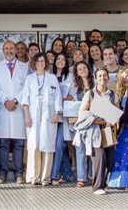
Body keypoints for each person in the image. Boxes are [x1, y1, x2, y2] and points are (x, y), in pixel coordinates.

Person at [73, 68, 119, 195]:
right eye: (99, 75)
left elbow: (117, 113)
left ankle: (104, 183)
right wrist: (99, 120)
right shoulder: (90, 94)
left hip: (108, 131)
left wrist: (111, 120)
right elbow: (82, 112)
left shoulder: (113, 95)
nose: (102, 77)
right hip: (94, 132)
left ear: (108, 77)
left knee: (110, 159)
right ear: (95, 78)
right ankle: (97, 187)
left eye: (104, 75)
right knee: (99, 158)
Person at [22, 53, 62, 185]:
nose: (41, 63)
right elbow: (25, 99)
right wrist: (27, 116)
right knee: (34, 145)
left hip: (49, 115)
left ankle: (45, 177)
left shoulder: (52, 78)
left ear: (46, 63)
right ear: (34, 63)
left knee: (47, 145)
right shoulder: (30, 79)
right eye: (38, 61)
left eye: (43, 61)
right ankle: (34, 177)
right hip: (33, 115)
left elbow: (57, 97)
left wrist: (57, 113)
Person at [0, 40, 28, 184]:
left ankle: (19, 173)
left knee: (19, 144)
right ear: (2, 50)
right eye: (6, 48)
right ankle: (2, 173)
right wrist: (5, 100)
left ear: (16, 50)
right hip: (3, 108)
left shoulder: (24, 67)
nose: (9, 51)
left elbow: (27, 86)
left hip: (18, 109)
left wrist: (16, 101)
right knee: (3, 144)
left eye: (11, 48)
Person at [69, 61, 95, 187]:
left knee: (92, 150)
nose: (83, 70)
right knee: (80, 150)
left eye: (85, 68)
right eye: (80, 69)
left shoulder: (95, 84)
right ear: (77, 73)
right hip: (79, 123)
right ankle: (81, 178)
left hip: (94, 122)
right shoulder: (75, 86)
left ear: (89, 70)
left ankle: (91, 176)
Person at [51, 52, 75, 184]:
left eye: (63, 59)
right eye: (58, 59)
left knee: (60, 144)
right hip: (52, 115)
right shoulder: (50, 76)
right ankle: (68, 173)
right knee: (55, 145)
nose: (60, 61)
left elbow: (72, 96)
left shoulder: (70, 76)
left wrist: (59, 98)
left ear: (66, 62)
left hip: (64, 115)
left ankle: (53, 176)